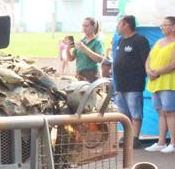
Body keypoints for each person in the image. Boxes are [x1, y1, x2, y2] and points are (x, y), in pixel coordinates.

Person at [112, 15, 150, 149]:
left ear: (126, 25)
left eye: (119, 24)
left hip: (134, 83)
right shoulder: (121, 40)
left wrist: (146, 74)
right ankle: (128, 135)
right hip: (120, 84)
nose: (117, 26)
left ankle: (135, 137)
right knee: (123, 113)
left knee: (135, 112)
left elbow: (147, 59)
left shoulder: (140, 40)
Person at [145, 16, 175, 153]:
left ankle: (173, 143)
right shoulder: (159, 41)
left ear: (173, 27)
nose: (162, 27)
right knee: (160, 111)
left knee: (170, 112)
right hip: (155, 82)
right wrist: (148, 70)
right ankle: (161, 142)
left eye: (165, 25)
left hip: (169, 83)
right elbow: (149, 59)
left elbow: (173, 64)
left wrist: (157, 73)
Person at [68, 17, 104, 81]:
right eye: (83, 26)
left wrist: (84, 48)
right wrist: (67, 49)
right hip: (79, 75)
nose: (84, 28)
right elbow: (71, 59)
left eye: (86, 26)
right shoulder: (81, 41)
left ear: (94, 27)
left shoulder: (97, 42)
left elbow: (100, 59)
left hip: (92, 75)